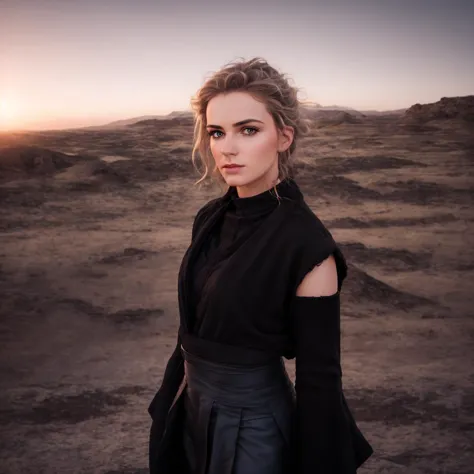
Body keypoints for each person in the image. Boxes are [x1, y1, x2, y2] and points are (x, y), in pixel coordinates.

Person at [147, 57, 374, 474]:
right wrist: (170, 400)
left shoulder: (307, 245)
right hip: (190, 410)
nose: (227, 147)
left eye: (248, 130)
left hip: (253, 432)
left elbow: (319, 376)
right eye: (217, 132)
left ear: (283, 136)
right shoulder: (211, 218)